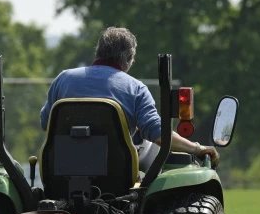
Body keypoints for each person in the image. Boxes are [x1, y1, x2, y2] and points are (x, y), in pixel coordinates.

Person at [39, 27, 220, 167]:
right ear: (130, 58)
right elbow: (159, 135)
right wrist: (197, 148)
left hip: (59, 172)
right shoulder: (136, 88)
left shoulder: (63, 79)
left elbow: (46, 122)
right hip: (116, 179)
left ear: (98, 52)